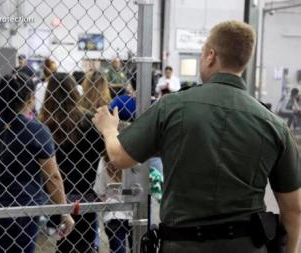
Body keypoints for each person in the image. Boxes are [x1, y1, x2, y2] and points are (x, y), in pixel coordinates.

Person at [93, 20, 301, 253]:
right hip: (247, 244)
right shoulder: (273, 125)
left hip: (182, 244)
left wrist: (109, 129)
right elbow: (293, 209)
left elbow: (120, 158)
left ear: (211, 56)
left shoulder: (172, 107)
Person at [0, 74, 74, 253]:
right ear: (30, 97)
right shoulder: (37, 131)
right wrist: (64, 211)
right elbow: (52, 176)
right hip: (22, 207)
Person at [39, 73, 105, 252]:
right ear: (75, 92)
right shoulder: (90, 122)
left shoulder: (44, 126)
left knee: (63, 241)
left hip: (56, 194)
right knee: (85, 242)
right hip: (86, 192)